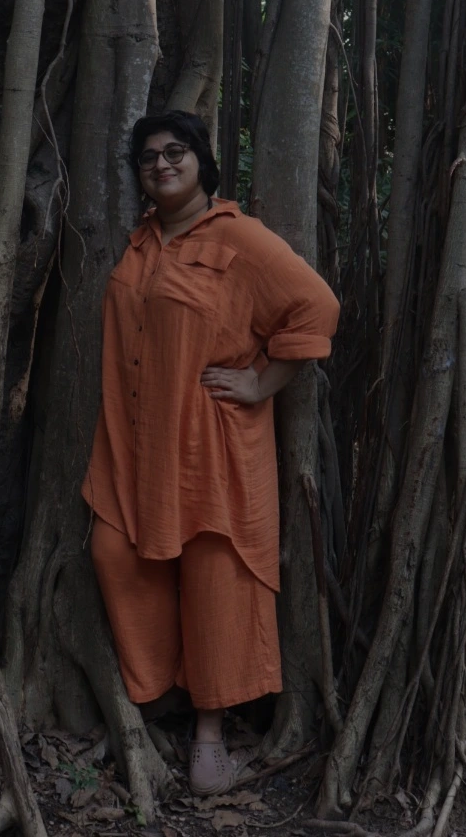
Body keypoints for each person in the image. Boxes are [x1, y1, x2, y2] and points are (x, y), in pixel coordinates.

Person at [81, 110, 340, 796]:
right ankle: (153, 694)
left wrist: (261, 382)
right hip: (133, 441)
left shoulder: (239, 238)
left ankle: (210, 737)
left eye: (176, 152)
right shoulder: (139, 244)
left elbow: (315, 305)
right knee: (115, 551)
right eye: (148, 157)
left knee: (214, 577)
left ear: (203, 161)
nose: (161, 164)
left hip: (210, 445)